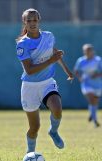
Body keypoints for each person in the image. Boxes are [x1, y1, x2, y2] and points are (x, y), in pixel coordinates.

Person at [16, 8, 74, 154]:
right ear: (24, 22)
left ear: (39, 21)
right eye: (29, 20)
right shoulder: (22, 44)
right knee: (34, 128)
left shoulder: (48, 36)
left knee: (57, 109)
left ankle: (53, 131)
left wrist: (67, 71)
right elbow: (29, 70)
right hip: (29, 87)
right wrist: (50, 61)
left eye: (35, 20)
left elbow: (54, 52)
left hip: (47, 83)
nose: (32, 23)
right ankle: (30, 154)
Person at [74, 44, 101, 127]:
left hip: (98, 84)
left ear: (93, 51)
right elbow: (76, 71)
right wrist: (79, 78)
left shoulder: (98, 60)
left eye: (89, 50)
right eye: (86, 50)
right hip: (86, 84)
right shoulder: (81, 60)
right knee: (91, 98)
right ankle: (95, 120)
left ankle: (92, 114)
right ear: (84, 51)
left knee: (95, 102)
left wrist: (97, 75)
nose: (88, 52)